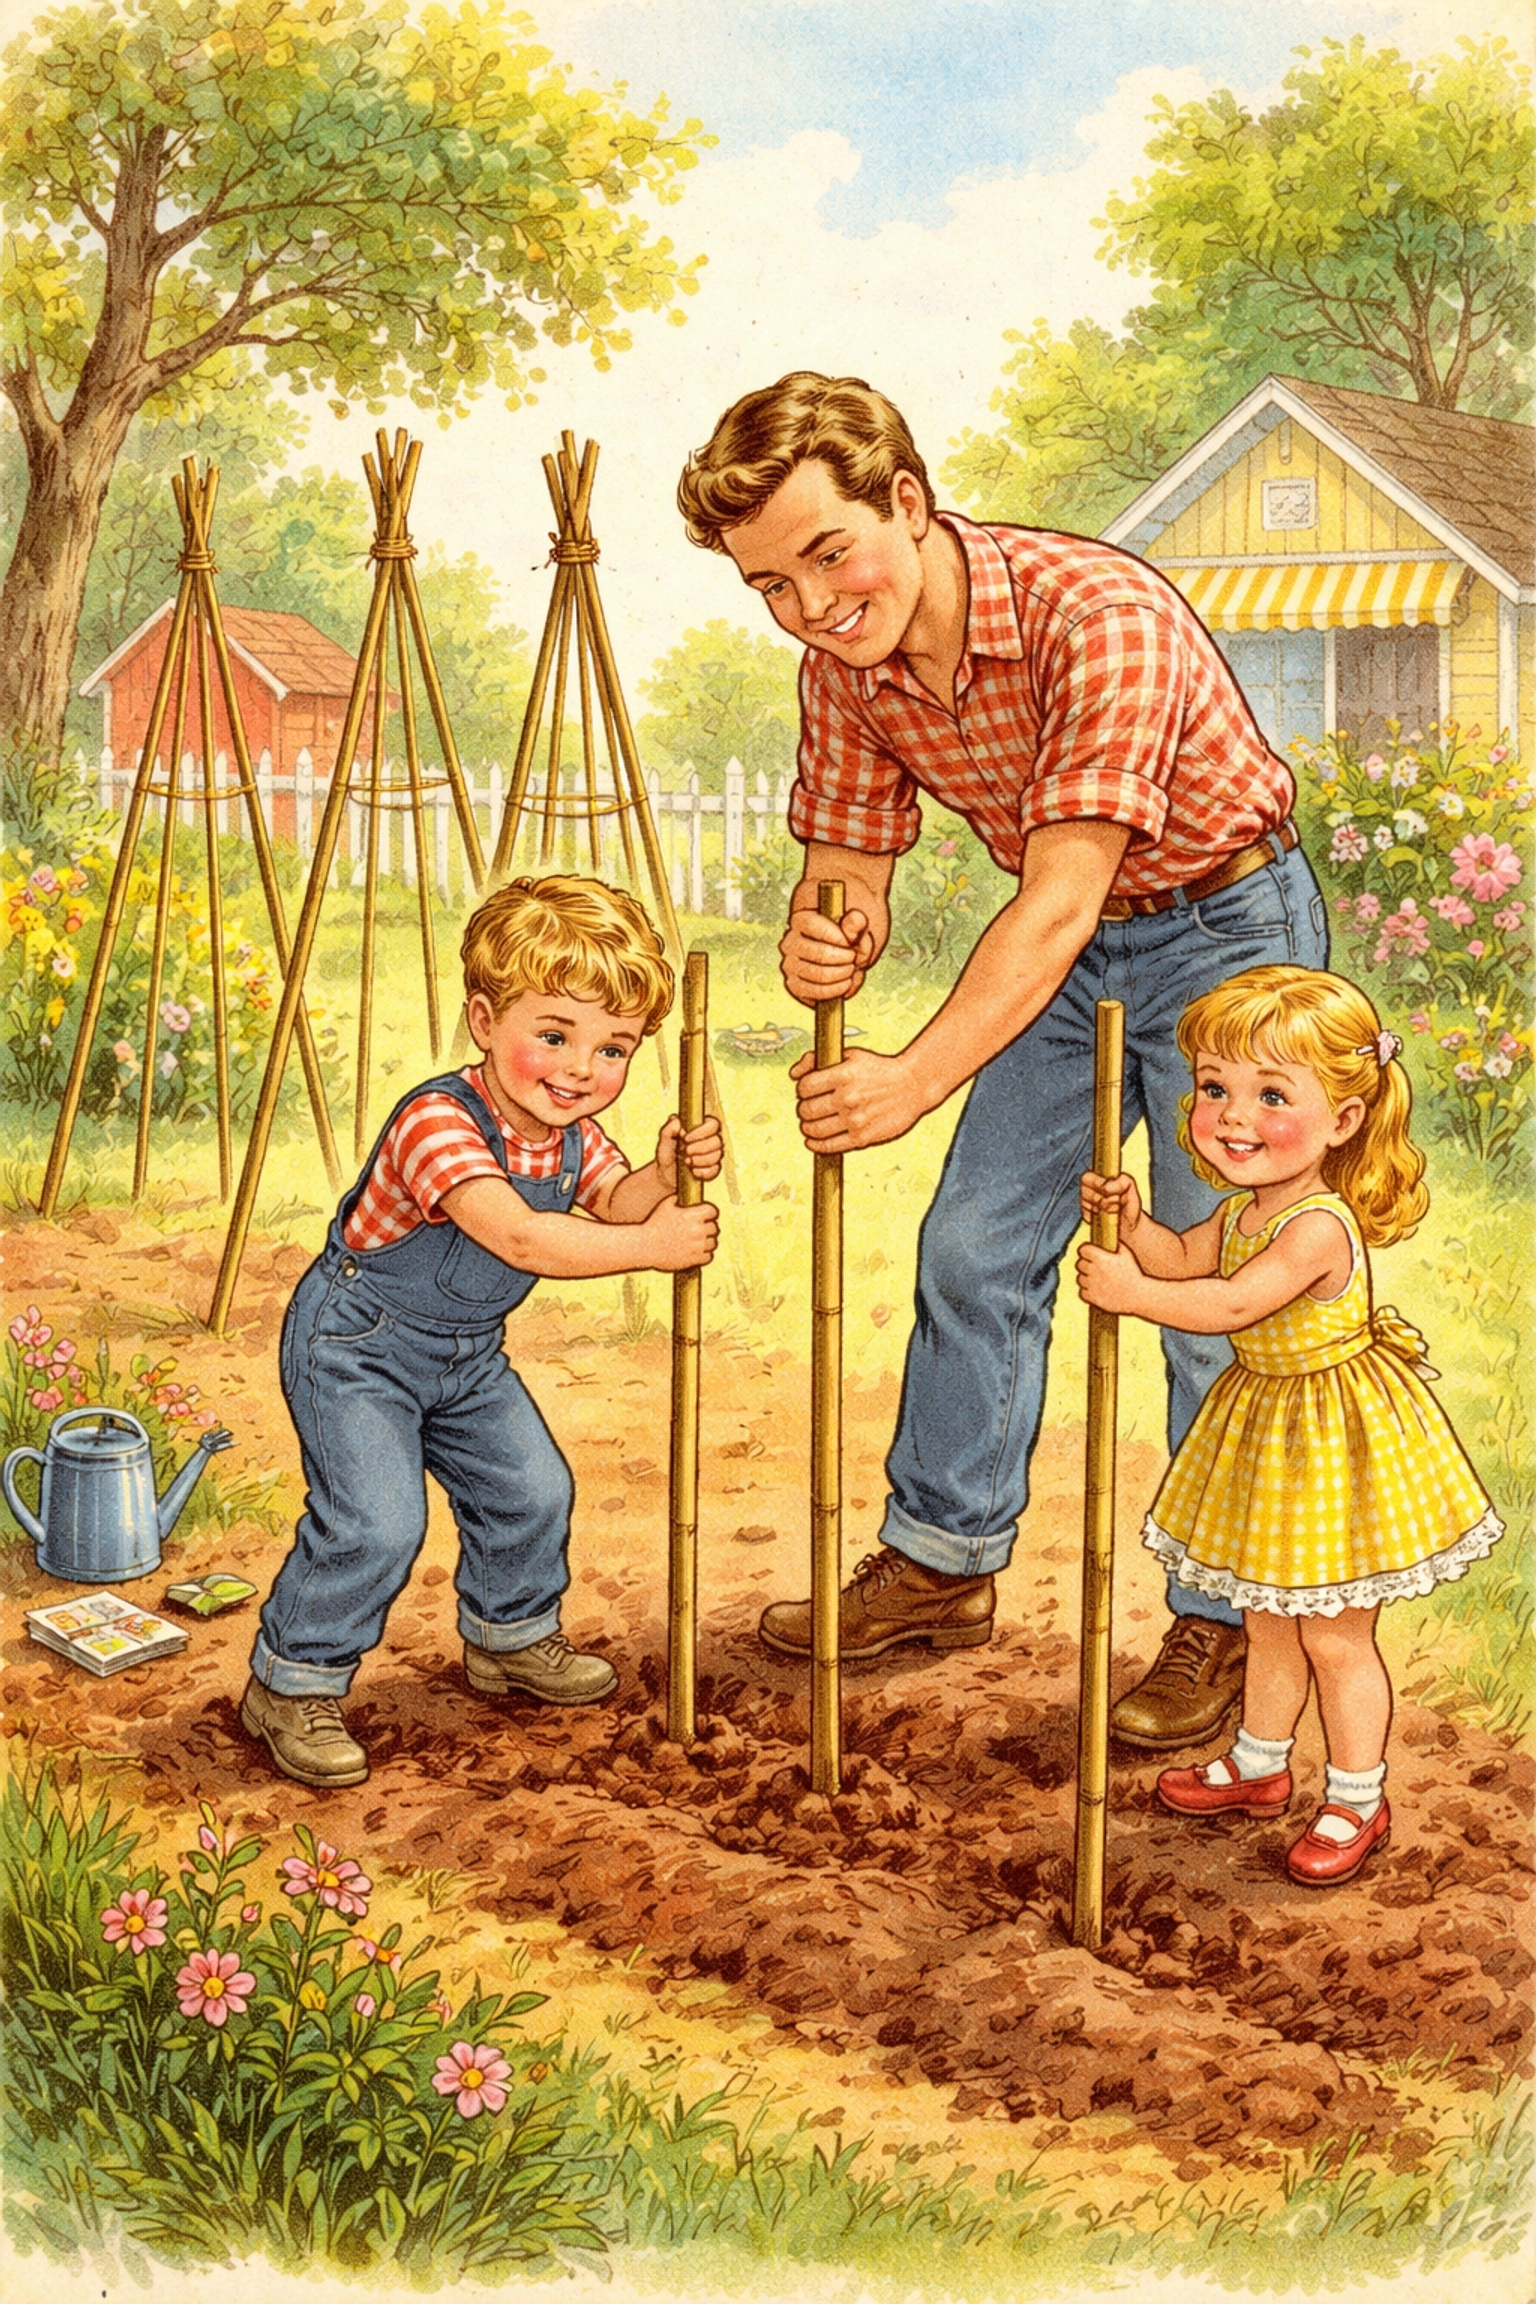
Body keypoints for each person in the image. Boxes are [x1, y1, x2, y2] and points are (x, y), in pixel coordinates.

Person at [677, 371, 1329, 1746]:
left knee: (1207, 1272)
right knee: (975, 1246)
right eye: (769, 588)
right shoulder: (842, 672)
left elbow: (1058, 895)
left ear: (906, 503)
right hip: (1077, 944)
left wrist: (912, 1078)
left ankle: (1224, 1612)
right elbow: (850, 862)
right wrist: (829, 932)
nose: (808, 608)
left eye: (826, 557)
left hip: (1227, 926)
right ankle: (941, 1561)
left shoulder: (1098, 614)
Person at [241, 876, 721, 1788]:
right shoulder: (439, 1121)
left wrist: (660, 1176)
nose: (582, 1069)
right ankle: (292, 1679)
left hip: (466, 1358)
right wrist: (653, 1249)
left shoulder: (572, 1134)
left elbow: (615, 1204)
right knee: (376, 1523)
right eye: (554, 1036)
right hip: (358, 1344)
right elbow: (518, 1233)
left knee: (531, 1490)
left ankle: (509, 1639)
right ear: (482, 1019)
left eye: (613, 1047)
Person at [1077, 966, 1502, 1884]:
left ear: (1344, 1120)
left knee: (1336, 1637)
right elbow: (1193, 1259)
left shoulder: (1315, 1227)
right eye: (1214, 1089)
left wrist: (1130, 1292)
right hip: (1268, 1437)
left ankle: (1357, 1796)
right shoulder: (1243, 1210)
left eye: (1272, 1095)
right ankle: (1260, 1765)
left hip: (1335, 1445)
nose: (1233, 1116)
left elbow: (1229, 1304)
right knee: (1268, 1623)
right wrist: (1136, 1226)